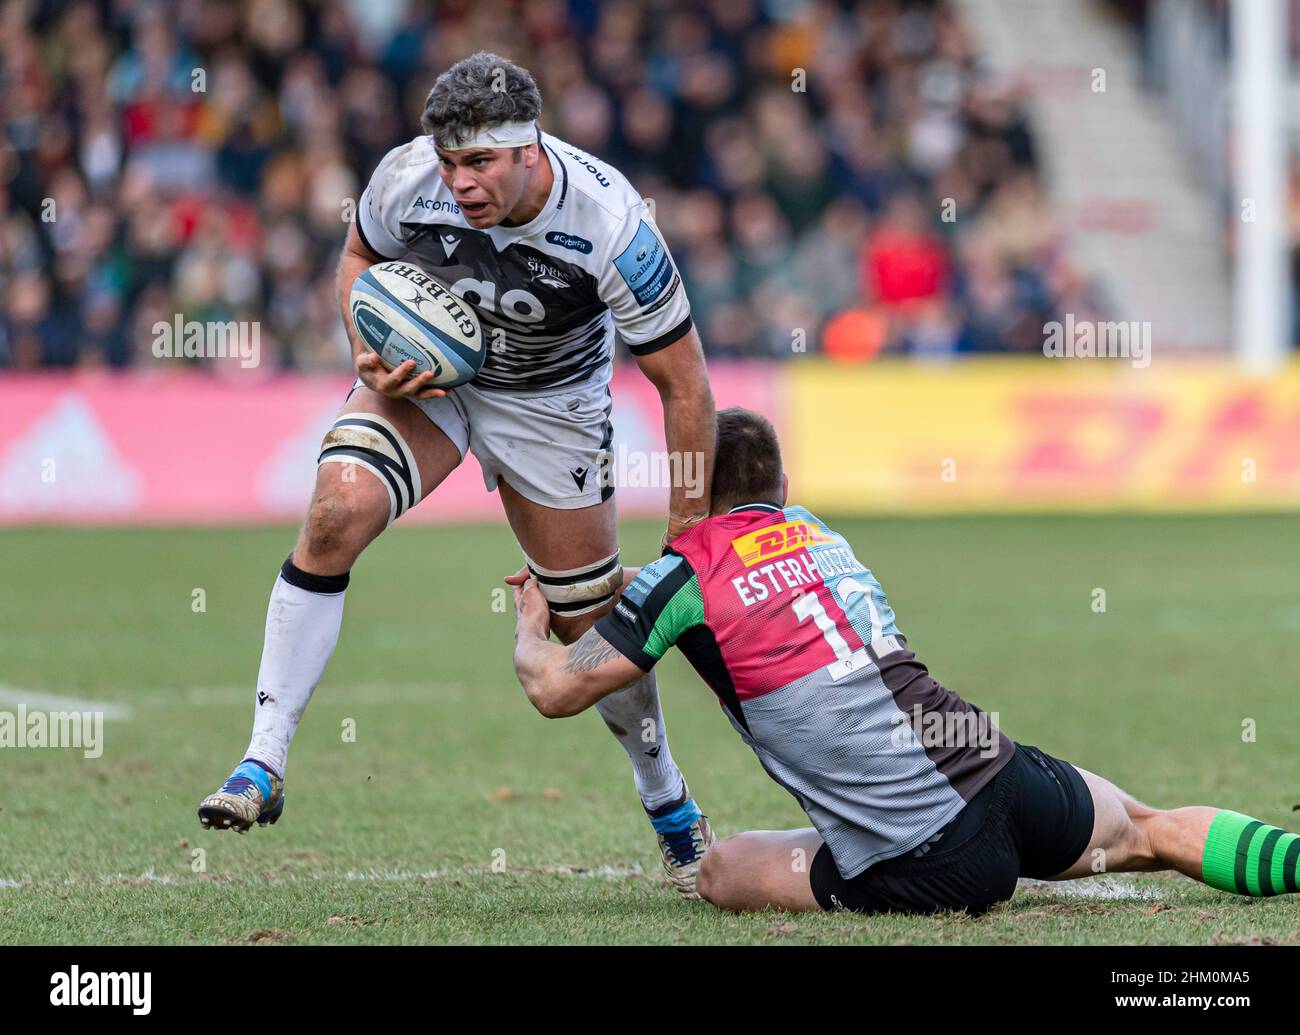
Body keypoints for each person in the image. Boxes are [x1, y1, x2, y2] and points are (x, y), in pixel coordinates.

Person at [199, 52, 717, 898]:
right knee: (335, 511)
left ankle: (666, 798)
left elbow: (685, 383)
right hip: (434, 381)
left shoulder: (614, 222)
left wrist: (686, 542)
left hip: (551, 409)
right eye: (450, 161)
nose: (461, 181)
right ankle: (264, 759)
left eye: (479, 162)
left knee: (592, 629)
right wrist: (369, 349)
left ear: (528, 148)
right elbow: (358, 261)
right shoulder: (407, 176)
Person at [510, 407, 1300, 914]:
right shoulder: (820, 532)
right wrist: (634, 586)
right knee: (1152, 829)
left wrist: (530, 624)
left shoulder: (680, 580)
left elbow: (555, 689)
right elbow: (730, 586)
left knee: (722, 870)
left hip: (928, 859)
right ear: (783, 486)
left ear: (688, 490)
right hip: (998, 773)